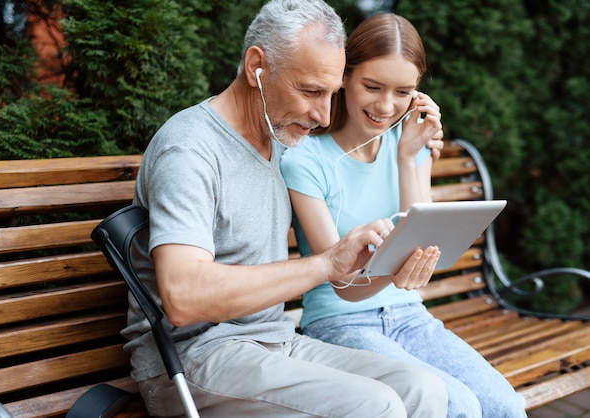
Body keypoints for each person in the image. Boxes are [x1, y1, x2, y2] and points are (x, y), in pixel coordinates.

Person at [122, 1, 449, 417]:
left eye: (331, 94)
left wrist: (411, 162)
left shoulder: (278, 141)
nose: (323, 114)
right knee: (375, 405)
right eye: (311, 91)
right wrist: (327, 264)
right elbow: (184, 297)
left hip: (275, 341)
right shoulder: (190, 149)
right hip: (192, 359)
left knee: (422, 389)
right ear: (257, 65)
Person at [280, 12, 527, 418]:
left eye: (402, 92)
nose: (385, 105)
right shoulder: (306, 161)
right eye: (372, 87)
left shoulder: (410, 142)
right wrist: (393, 272)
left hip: (411, 317)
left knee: (505, 407)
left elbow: (421, 240)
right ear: (345, 76)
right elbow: (341, 282)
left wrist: (409, 157)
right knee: (459, 407)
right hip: (340, 325)